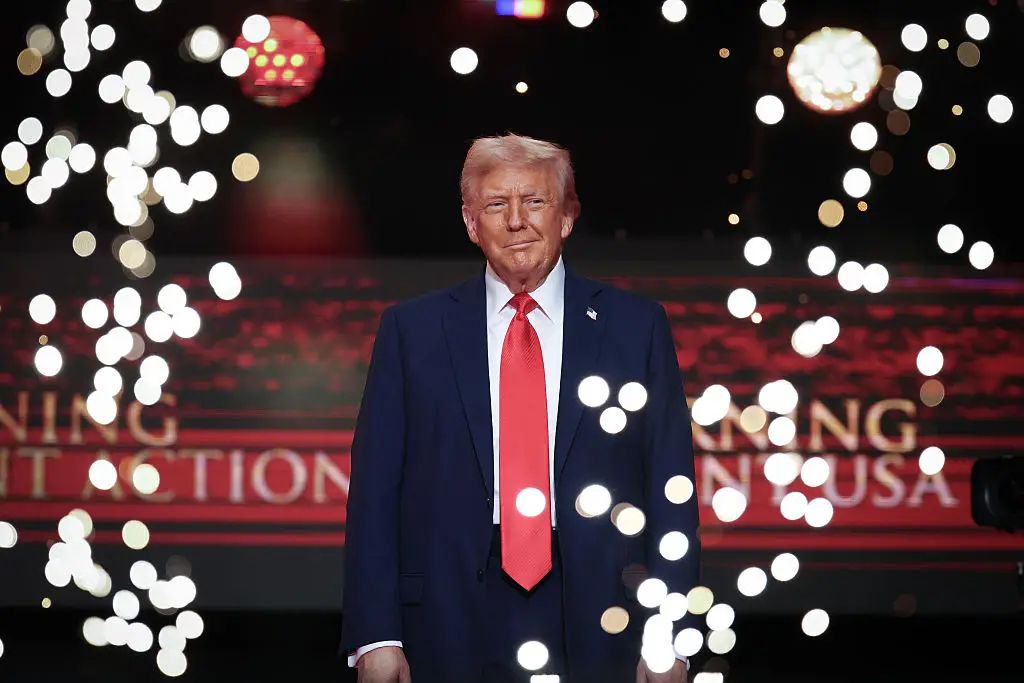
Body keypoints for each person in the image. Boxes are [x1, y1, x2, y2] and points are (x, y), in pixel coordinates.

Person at [339, 134, 700, 683]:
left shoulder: (636, 327)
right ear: (469, 221)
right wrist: (374, 634)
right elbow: (374, 492)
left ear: (568, 216)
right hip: (447, 609)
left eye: (534, 201)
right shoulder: (411, 331)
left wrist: (669, 632)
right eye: (494, 205)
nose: (515, 221)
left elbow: (671, 487)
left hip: (603, 610)